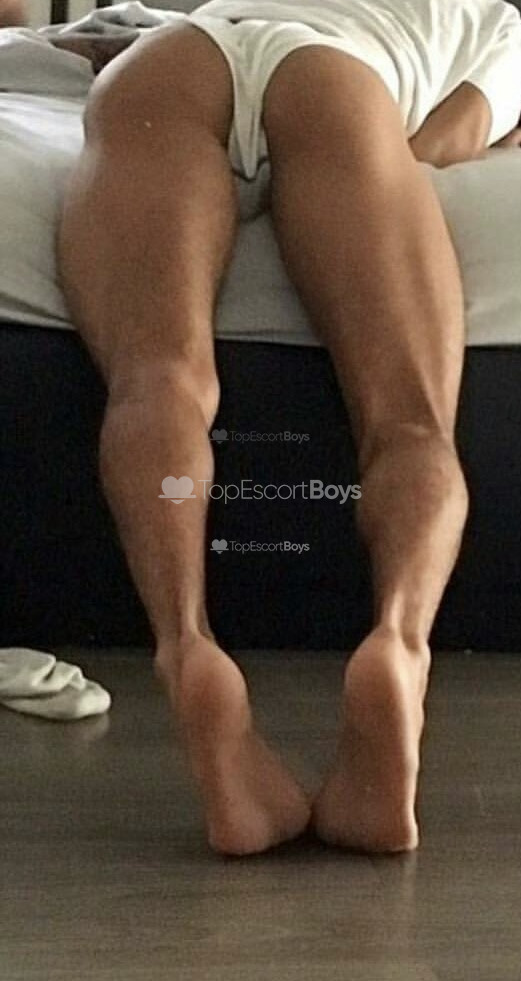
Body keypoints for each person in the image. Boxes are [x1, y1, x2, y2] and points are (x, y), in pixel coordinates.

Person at [57, 0, 521, 857]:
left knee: (156, 378)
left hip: (175, 60)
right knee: (409, 423)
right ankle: (399, 644)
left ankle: (185, 642)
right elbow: (439, 144)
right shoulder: (494, 21)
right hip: (333, 79)